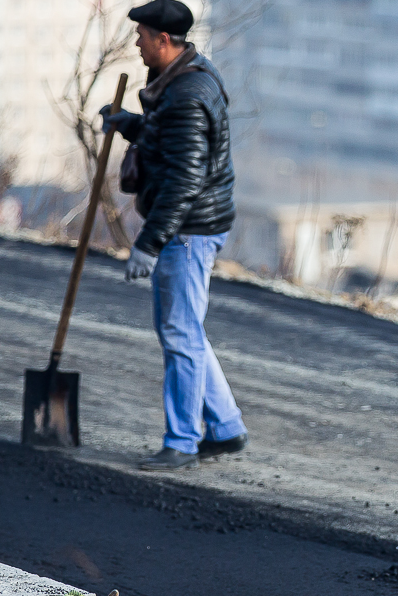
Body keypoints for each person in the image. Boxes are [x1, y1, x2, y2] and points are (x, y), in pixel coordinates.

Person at [101, 0, 247, 471]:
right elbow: (171, 141)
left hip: (187, 231)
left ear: (164, 40)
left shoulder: (186, 92)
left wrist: (148, 243)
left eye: (141, 36)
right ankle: (224, 428)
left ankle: (182, 441)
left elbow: (185, 179)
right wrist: (131, 126)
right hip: (192, 225)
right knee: (187, 330)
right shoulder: (182, 77)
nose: (136, 44)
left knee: (179, 333)